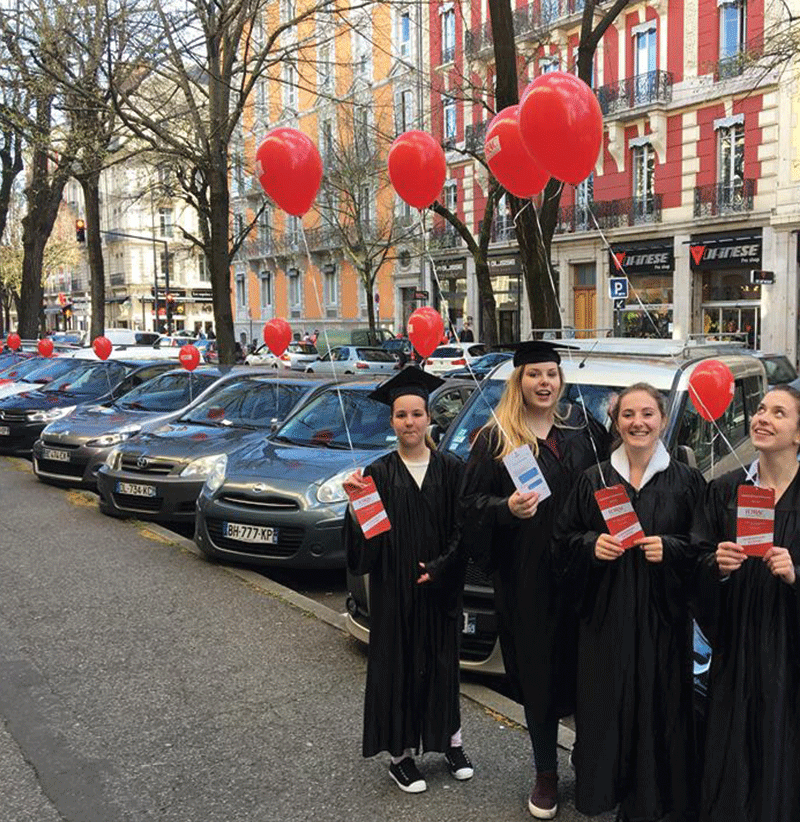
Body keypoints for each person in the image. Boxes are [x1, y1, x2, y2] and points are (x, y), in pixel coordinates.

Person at [459, 340, 609, 819]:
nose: (544, 383)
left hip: (587, 573)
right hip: (529, 580)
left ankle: (590, 763)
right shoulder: (495, 439)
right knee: (541, 677)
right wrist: (505, 508)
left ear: (561, 380)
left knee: (591, 674)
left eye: (551, 374)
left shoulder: (585, 430)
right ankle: (546, 772)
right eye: (534, 375)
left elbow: (619, 483)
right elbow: (468, 507)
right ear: (518, 381)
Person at [554, 383, 705, 822]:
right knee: (606, 708)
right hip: (605, 619)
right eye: (627, 415)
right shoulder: (594, 479)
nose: (637, 422)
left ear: (662, 420)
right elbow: (561, 542)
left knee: (659, 709)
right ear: (616, 422)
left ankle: (651, 801)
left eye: (647, 414)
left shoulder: (686, 481)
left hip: (663, 621)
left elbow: (704, 547)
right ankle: (609, 794)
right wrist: (589, 545)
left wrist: (673, 548)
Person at [344, 366, 473, 795]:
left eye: (417, 414)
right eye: (402, 416)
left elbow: (463, 529)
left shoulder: (451, 467)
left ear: (429, 418)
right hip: (395, 587)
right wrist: (355, 505)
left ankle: (450, 742)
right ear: (392, 421)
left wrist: (441, 567)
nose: (410, 422)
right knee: (398, 669)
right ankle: (400, 755)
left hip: (439, 585)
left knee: (441, 666)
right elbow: (367, 545)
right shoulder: (377, 474)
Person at [691, 386, 800, 822]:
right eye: (759, 409)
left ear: (797, 434)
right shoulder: (724, 490)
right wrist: (715, 565)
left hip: (790, 654)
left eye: (779, 413)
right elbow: (695, 561)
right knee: (732, 745)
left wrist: (795, 575)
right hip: (736, 646)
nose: (763, 418)